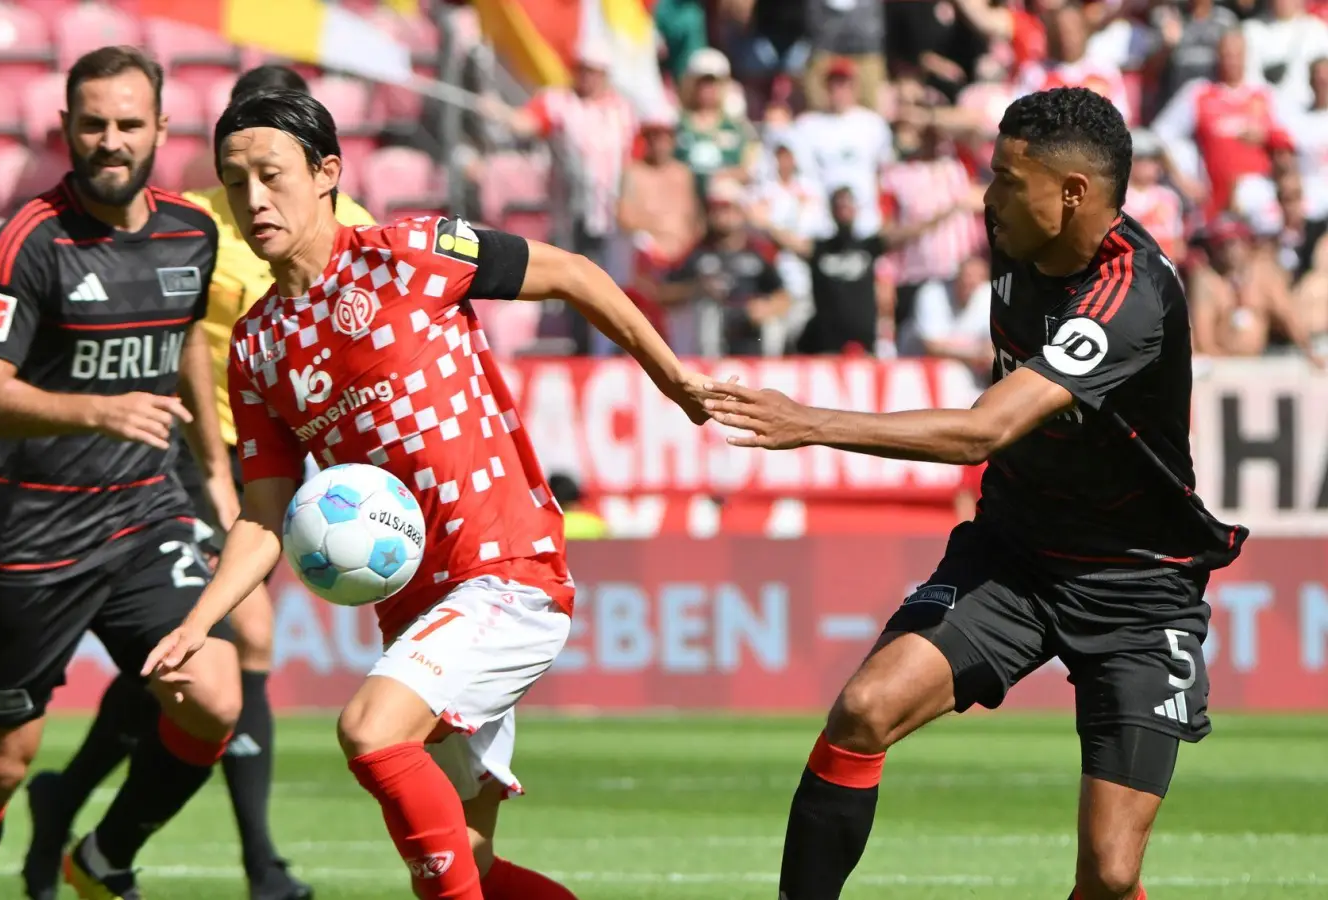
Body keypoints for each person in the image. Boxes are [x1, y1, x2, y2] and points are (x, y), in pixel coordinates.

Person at [143, 89, 708, 900]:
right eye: (236, 182)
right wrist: (199, 622)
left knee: (369, 733)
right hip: (416, 613)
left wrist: (675, 379)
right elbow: (263, 518)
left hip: (506, 575)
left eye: (272, 174)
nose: (255, 199)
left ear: (327, 172)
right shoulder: (258, 346)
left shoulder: (410, 251)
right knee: (467, 868)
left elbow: (576, 273)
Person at [692, 87, 1248, 900]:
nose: (984, 199)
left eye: (1004, 181)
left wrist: (808, 421)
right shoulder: (1019, 246)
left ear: (1072, 194)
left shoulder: (1130, 298)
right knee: (864, 710)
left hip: (1138, 588)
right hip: (1016, 559)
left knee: (1110, 871)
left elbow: (982, 432)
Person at [22, 63, 375, 900]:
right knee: (242, 641)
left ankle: (65, 797)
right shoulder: (206, 220)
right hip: (192, 454)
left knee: (186, 656)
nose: (253, 177)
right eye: (238, 140)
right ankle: (261, 865)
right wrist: (212, 470)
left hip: (279, 467)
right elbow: (182, 332)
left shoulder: (348, 226)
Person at [0, 45, 243, 900]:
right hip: (28, 536)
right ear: (67, 129)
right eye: (93, 124)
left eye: (127, 124)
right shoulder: (29, 240)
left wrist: (212, 472)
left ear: (161, 131)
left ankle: (102, 857)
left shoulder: (194, 230)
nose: (111, 141)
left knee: (213, 695)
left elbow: (184, 334)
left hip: (144, 515)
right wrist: (96, 409)